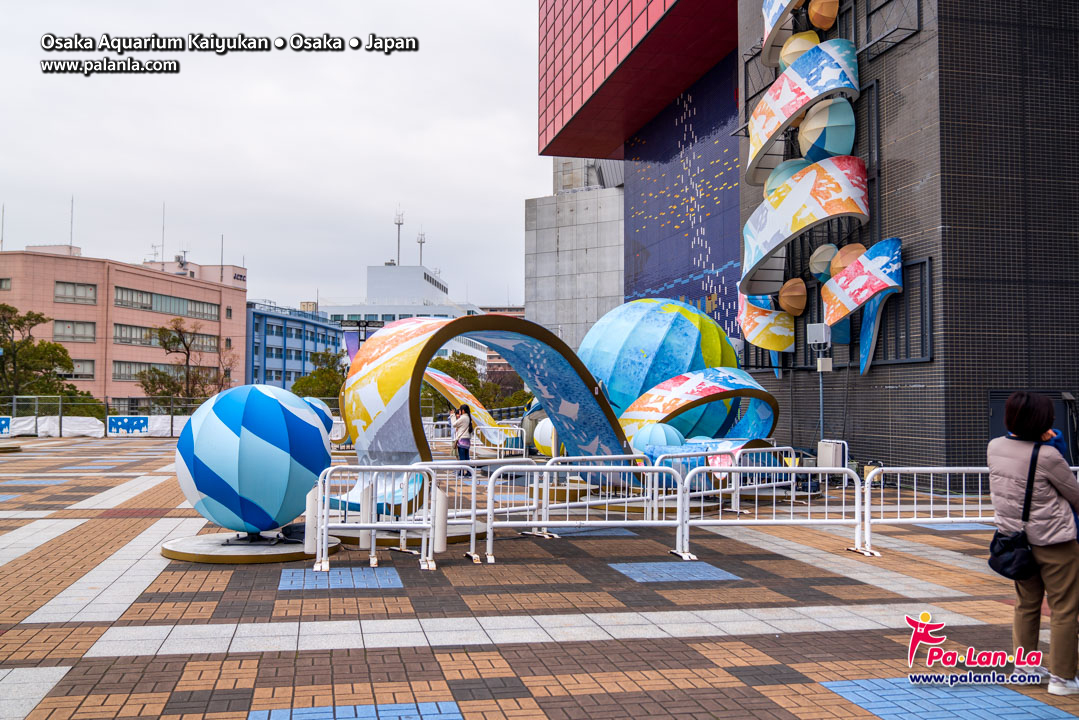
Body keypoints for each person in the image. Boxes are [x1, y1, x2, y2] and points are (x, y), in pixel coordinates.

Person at [989, 391, 1079, 695]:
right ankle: (1062, 678)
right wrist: (1055, 442)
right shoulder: (1048, 455)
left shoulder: (995, 447)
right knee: (1064, 608)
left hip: (1016, 542)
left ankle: (1025, 668)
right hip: (1055, 543)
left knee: (1027, 605)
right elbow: (1074, 494)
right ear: (1041, 422)